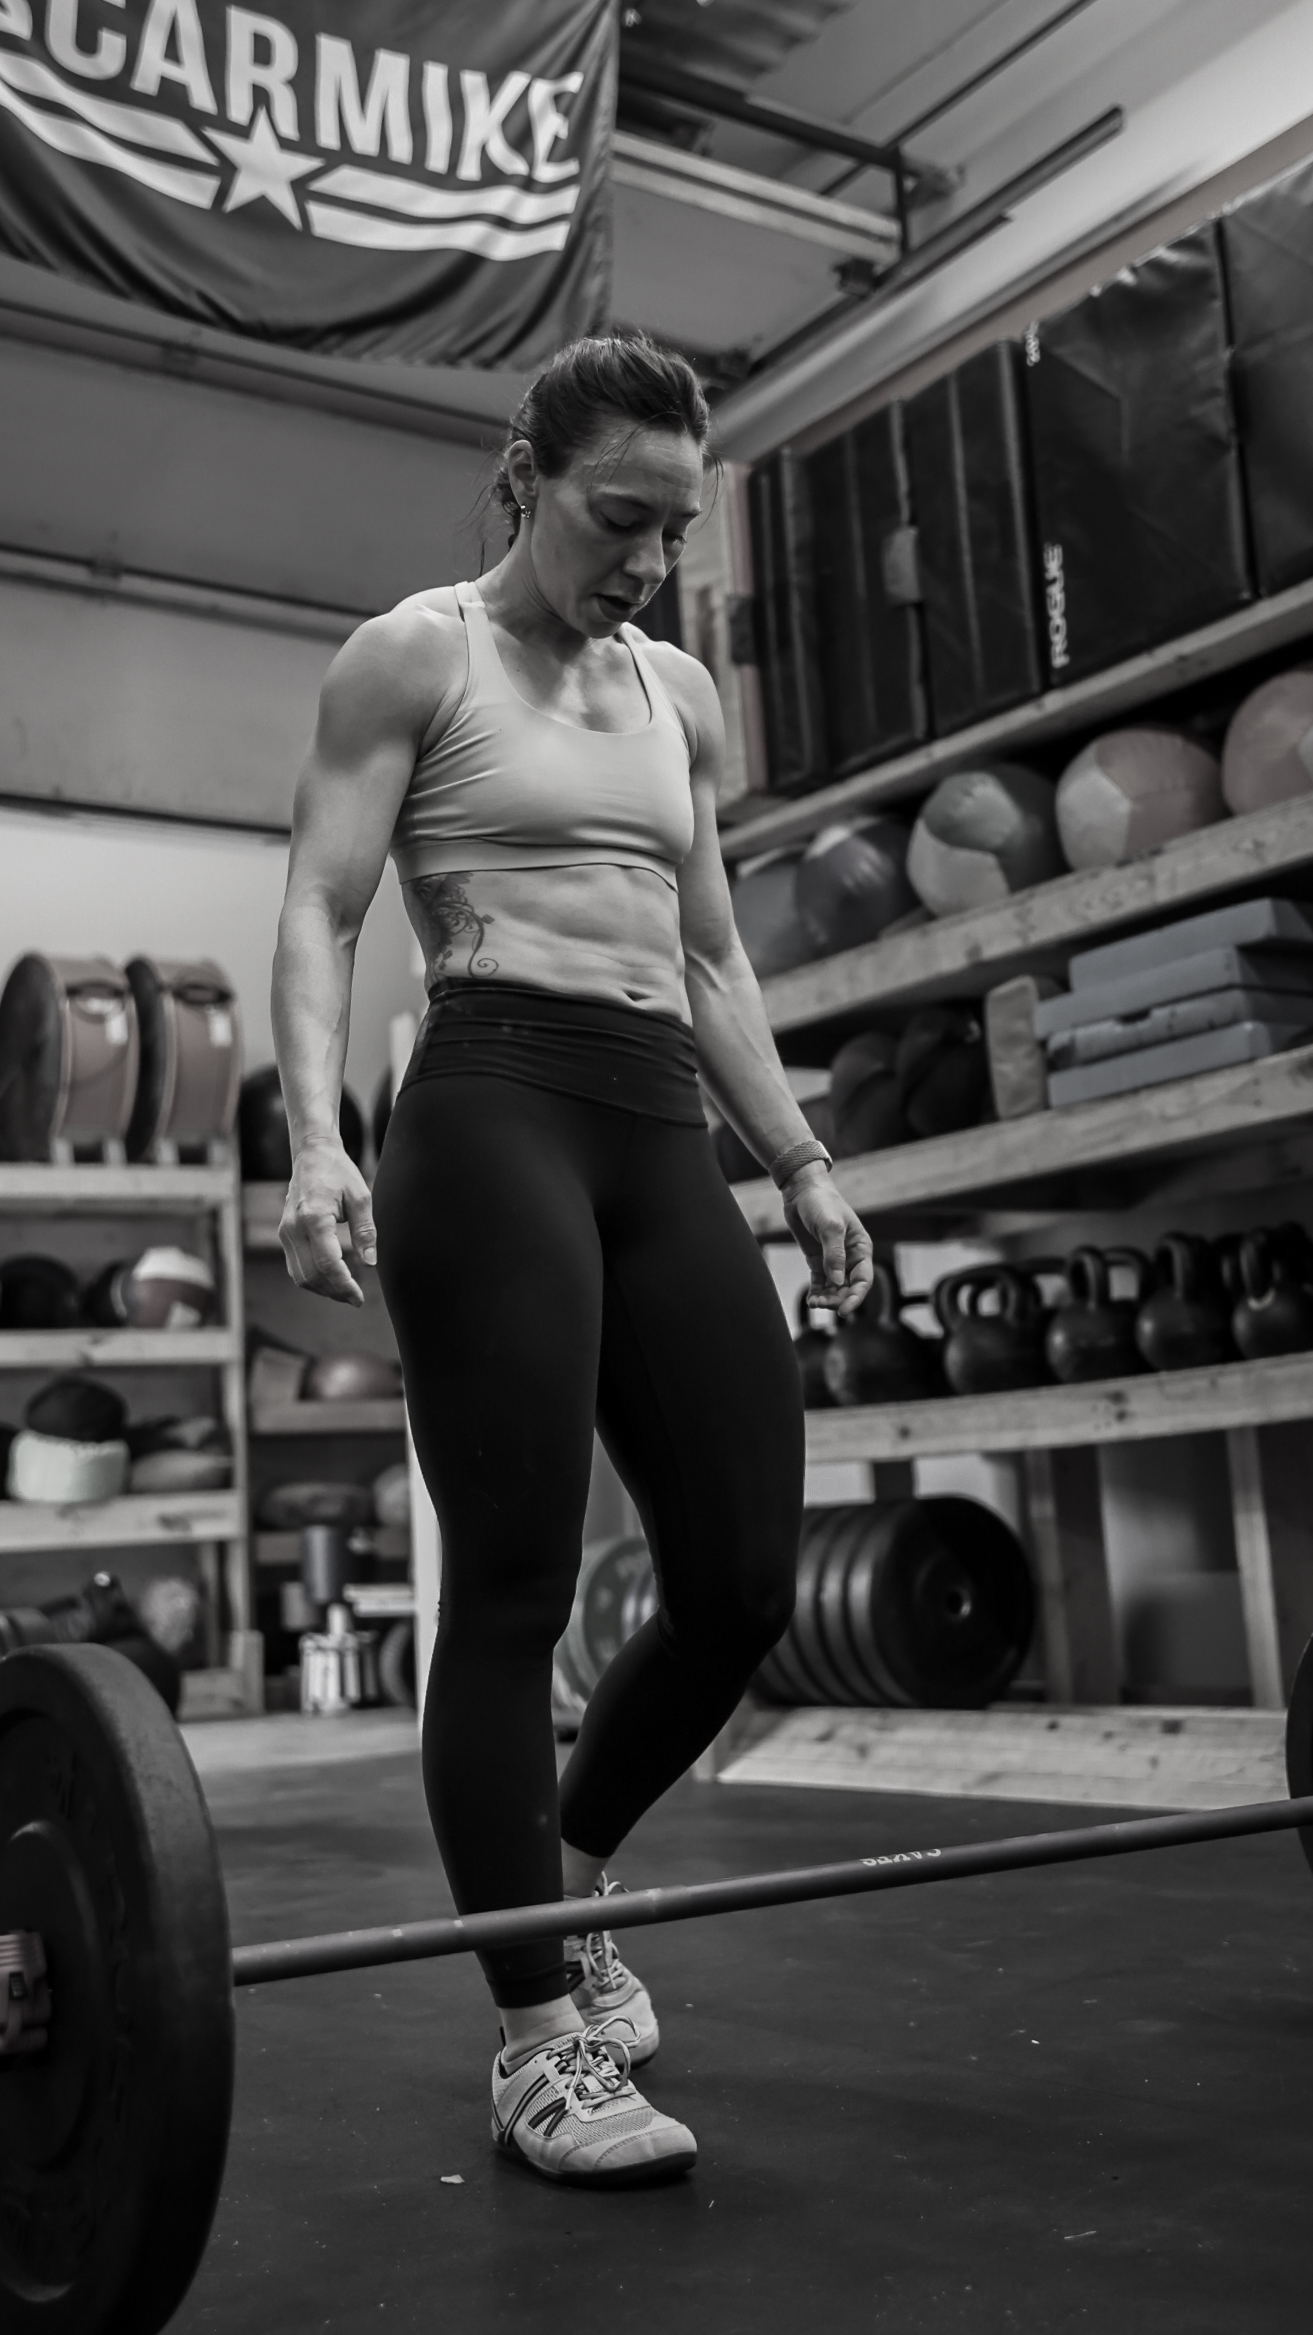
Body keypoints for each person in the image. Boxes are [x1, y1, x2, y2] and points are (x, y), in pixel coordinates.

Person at [272, 334, 873, 2188]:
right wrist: (313, 1135)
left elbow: (711, 959)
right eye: (622, 517)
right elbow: (321, 898)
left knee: (742, 1573)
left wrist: (800, 1160)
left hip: (653, 1124)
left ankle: (575, 1878)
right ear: (527, 478)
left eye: (676, 529)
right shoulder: (417, 655)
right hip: (491, 1105)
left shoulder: (677, 690)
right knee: (517, 1581)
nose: (647, 563)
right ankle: (535, 2039)